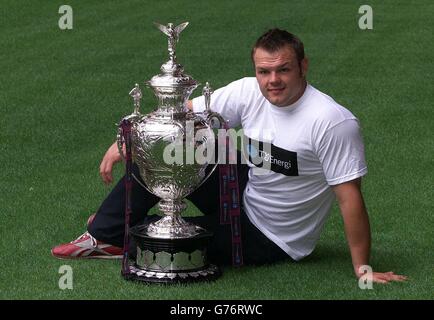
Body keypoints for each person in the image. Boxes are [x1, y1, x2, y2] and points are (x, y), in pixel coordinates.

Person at [52, 28, 406, 284]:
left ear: (303, 66)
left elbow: (349, 199)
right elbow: (182, 114)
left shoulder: (330, 122)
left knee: (164, 244)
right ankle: (103, 234)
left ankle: (125, 237)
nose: (273, 81)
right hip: (246, 187)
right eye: (264, 71)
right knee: (174, 149)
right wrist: (127, 140)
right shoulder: (248, 91)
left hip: (272, 235)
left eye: (283, 69)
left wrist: (363, 268)